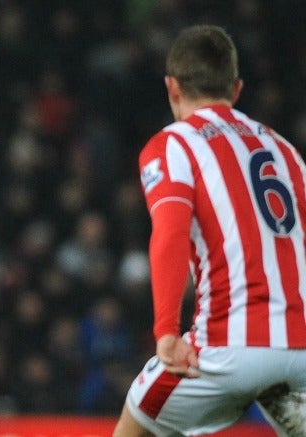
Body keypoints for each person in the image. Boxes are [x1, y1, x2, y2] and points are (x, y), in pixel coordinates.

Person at [113, 25, 306, 436]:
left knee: (136, 420)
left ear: (172, 88)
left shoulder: (174, 144)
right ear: (236, 89)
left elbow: (169, 233)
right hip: (302, 345)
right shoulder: (285, 150)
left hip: (228, 345)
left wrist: (166, 332)